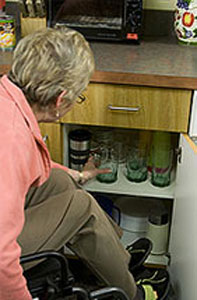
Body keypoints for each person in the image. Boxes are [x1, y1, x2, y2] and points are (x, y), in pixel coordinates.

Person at [0, 27, 168, 300]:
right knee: (82, 207)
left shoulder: (6, 99)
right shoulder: (11, 138)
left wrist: (74, 173)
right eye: (77, 97)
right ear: (59, 100)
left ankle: (116, 261)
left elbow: (21, 167)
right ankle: (133, 293)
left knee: (60, 181)